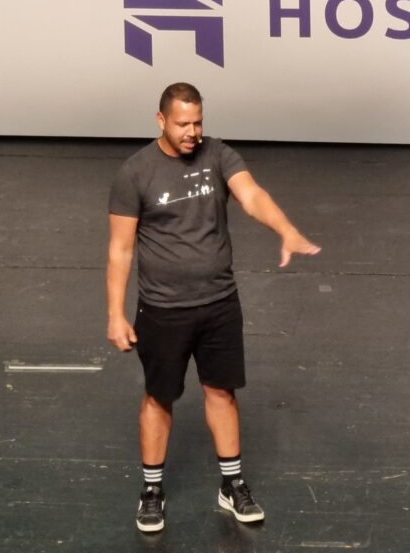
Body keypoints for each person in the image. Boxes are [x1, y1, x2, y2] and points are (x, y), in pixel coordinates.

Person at [107, 82, 321, 533]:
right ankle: (152, 491)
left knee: (221, 392)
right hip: (163, 310)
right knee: (158, 397)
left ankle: (232, 484)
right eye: (182, 123)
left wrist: (286, 229)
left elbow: (252, 195)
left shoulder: (218, 154)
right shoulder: (135, 172)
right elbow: (121, 249)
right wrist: (115, 314)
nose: (192, 132)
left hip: (219, 303)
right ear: (161, 120)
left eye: (198, 122)